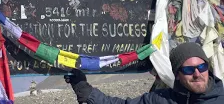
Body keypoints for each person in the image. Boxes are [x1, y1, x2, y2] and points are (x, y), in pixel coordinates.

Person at [64, 42, 224, 103]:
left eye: (202, 67)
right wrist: (86, 91)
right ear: (177, 74)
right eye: (189, 69)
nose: (197, 74)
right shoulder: (161, 99)